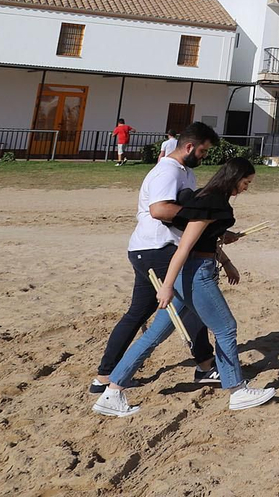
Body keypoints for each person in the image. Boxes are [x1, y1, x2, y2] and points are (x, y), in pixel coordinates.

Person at [93, 157, 277, 416]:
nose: (247, 187)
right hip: (195, 275)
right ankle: (237, 390)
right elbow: (184, 247)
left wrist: (224, 243)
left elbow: (201, 233)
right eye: (246, 182)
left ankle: (112, 392)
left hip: (192, 273)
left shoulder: (205, 198)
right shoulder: (212, 202)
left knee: (153, 336)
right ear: (235, 178)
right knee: (226, 328)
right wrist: (166, 286)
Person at [90, 123, 224, 396]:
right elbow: (160, 210)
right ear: (189, 147)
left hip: (147, 249)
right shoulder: (167, 171)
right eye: (202, 151)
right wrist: (199, 218)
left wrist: (213, 227)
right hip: (157, 248)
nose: (204, 156)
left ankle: (104, 375)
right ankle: (205, 365)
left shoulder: (185, 174)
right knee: (193, 303)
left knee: (138, 313)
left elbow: (187, 214)